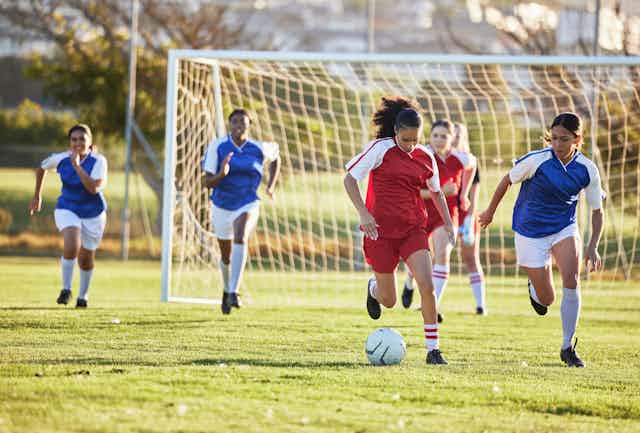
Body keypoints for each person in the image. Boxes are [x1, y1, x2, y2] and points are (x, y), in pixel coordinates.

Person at [478, 112, 604, 367]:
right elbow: (506, 181)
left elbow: (597, 211)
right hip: (529, 231)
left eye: (564, 139)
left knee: (572, 278)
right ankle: (535, 288)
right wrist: (490, 212)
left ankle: (568, 346)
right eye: (553, 138)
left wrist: (593, 246)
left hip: (564, 228)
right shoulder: (537, 161)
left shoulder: (587, 169)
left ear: (577, 139)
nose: (557, 144)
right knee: (547, 299)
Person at [343, 96, 455, 365]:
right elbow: (349, 180)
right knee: (390, 300)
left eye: (415, 139)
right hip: (379, 232)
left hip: (413, 229)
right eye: (405, 140)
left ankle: (433, 350)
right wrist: (363, 212)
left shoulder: (425, 156)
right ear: (395, 132)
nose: (410, 145)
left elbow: (437, 193)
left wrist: (449, 223)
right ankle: (373, 290)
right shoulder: (379, 149)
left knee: (426, 285)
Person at [202, 108, 280, 315]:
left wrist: (270, 186)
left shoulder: (258, 147)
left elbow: (276, 157)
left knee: (241, 236)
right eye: (234, 121)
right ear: (229, 124)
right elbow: (207, 182)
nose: (238, 125)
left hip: (248, 202)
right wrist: (222, 173)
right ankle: (227, 290)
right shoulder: (217, 146)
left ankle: (234, 291)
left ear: (249, 125)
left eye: (242, 122)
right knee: (226, 256)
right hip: (221, 205)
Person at [401, 120, 476, 324]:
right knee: (419, 261)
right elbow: (414, 191)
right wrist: (443, 191)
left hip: (446, 215)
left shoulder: (460, 158)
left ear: (452, 139)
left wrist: (464, 194)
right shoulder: (421, 155)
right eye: (436, 135)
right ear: (430, 136)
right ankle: (409, 282)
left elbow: (473, 164)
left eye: (444, 136)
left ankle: (434, 304)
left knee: (442, 255)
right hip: (421, 213)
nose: (439, 139)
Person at [28, 124, 108, 308]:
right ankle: (66, 289)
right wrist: (37, 196)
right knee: (72, 244)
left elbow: (93, 188)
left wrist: (78, 167)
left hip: (93, 213)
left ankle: (83, 296)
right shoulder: (62, 158)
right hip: (67, 207)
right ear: (70, 142)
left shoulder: (99, 161)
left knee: (86, 258)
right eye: (74, 139)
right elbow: (41, 168)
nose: (78, 142)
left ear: (90, 143)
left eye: (82, 139)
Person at [453, 123, 486, 315]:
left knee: (471, 258)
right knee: (435, 257)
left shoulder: (471, 162)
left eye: (458, 135)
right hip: (446, 216)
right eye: (453, 134)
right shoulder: (441, 160)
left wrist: (468, 220)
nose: (455, 138)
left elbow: (474, 196)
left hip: (466, 217)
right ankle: (431, 301)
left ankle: (481, 305)